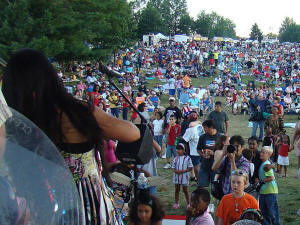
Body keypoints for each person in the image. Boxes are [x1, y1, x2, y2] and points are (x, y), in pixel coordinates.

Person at [2, 49, 140, 225]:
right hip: (87, 207)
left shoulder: (13, 123)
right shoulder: (75, 113)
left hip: (40, 207)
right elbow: (132, 133)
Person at [259, 146, 280, 225]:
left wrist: (261, 181)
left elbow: (271, 178)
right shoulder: (265, 163)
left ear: (268, 155)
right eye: (261, 152)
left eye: (263, 153)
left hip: (270, 192)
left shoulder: (266, 165)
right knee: (264, 213)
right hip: (264, 192)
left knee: (272, 213)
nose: (261, 154)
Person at [197, 120, 221, 187]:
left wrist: (214, 153)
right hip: (204, 166)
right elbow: (198, 149)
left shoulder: (220, 137)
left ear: (211, 127)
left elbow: (223, 152)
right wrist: (202, 155)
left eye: (205, 128)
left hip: (216, 168)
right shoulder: (203, 137)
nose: (204, 129)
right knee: (200, 186)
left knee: (216, 188)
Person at [183, 113, 204, 181]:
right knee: (200, 164)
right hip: (202, 148)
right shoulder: (200, 126)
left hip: (194, 149)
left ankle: (197, 178)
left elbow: (185, 139)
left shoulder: (190, 129)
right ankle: (196, 176)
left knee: (195, 165)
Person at [172, 143, 193, 209]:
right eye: (177, 149)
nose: (178, 151)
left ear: (184, 150)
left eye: (180, 149)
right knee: (177, 190)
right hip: (177, 177)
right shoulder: (175, 158)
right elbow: (173, 167)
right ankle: (176, 202)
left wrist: (182, 171)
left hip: (184, 177)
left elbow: (190, 167)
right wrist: (175, 171)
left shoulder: (188, 158)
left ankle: (188, 203)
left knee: (185, 190)